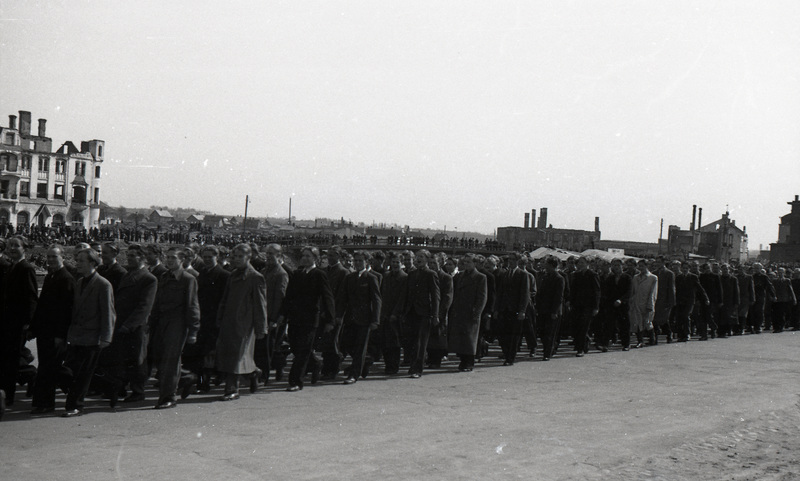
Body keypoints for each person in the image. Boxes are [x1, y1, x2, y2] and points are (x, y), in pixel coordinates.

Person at [62, 248, 116, 417]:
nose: (77, 264)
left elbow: (109, 312)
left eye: (81, 261)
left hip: (92, 337)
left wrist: (106, 337)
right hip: (77, 335)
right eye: (77, 260)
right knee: (70, 371)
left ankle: (75, 406)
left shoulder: (103, 284)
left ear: (92, 263)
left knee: (82, 374)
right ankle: (109, 385)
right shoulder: (79, 282)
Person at [149, 247, 200, 409]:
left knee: (170, 361)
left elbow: (192, 306)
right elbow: (157, 303)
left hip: (178, 323)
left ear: (182, 260)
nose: (169, 261)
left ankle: (168, 397)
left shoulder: (187, 279)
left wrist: (193, 330)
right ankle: (186, 378)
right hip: (162, 323)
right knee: (160, 358)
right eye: (168, 257)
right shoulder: (164, 276)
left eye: (173, 258)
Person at [215, 244, 268, 401]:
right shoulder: (233, 275)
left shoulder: (255, 277)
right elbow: (225, 299)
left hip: (244, 324)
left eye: (240, 256)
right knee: (230, 354)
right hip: (229, 321)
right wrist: (220, 317)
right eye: (235, 256)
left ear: (248, 257)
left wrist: (261, 328)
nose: (236, 259)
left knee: (236, 355)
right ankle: (253, 373)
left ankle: (232, 389)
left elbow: (261, 304)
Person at [280, 246, 335, 392]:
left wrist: (330, 319)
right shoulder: (297, 274)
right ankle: (315, 364)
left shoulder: (319, 274)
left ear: (315, 259)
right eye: (303, 255)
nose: (305, 258)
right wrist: (282, 314)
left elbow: (327, 297)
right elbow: (289, 296)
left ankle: (296, 381)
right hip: (295, 318)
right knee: (296, 348)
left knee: (303, 350)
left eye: (308, 256)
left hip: (310, 320)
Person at [108, 244, 157, 404]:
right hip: (121, 323)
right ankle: (122, 387)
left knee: (137, 360)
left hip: (136, 327)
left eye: (132, 256)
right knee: (122, 358)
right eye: (128, 255)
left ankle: (138, 391)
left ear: (142, 258)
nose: (128, 258)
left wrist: (129, 325)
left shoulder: (148, 278)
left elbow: (144, 307)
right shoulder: (128, 275)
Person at [29, 245, 75, 414]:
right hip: (45, 332)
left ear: (62, 257)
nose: (50, 260)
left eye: (54, 257)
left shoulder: (66, 278)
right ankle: (41, 401)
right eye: (48, 257)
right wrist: (34, 328)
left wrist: (60, 335)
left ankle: (47, 403)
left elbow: (66, 311)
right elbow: (42, 307)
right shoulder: (51, 277)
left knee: (50, 368)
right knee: (45, 367)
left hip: (56, 333)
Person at [185, 246, 230, 393]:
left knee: (209, 352)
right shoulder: (201, 273)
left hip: (214, 318)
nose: (207, 260)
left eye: (210, 257)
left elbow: (225, 299)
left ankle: (206, 382)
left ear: (216, 257)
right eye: (204, 257)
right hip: (201, 317)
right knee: (199, 350)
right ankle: (200, 380)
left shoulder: (223, 275)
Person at [0, 235, 38, 408]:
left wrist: (28, 323)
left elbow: (31, 298)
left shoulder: (26, 268)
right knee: (6, 359)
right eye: (10, 245)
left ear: (25, 248)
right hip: (7, 322)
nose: (12, 248)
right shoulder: (12, 267)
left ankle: (7, 396)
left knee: (11, 361)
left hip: (17, 324)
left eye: (17, 245)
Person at [336, 250, 382, 384]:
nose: (357, 263)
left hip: (365, 319)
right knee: (347, 344)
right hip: (350, 318)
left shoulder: (371, 278)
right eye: (355, 260)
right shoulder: (350, 277)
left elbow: (377, 300)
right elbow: (343, 298)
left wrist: (375, 320)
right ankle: (365, 360)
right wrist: (339, 315)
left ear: (367, 262)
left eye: (360, 261)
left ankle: (353, 375)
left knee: (360, 346)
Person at [395, 249, 440, 378]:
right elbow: (405, 294)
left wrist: (435, 315)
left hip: (424, 313)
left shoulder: (431, 274)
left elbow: (436, 296)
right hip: (411, 312)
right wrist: (401, 311)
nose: (418, 259)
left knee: (421, 342)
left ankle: (417, 369)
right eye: (417, 257)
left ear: (426, 259)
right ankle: (413, 365)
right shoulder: (412, 274)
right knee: (411, 341)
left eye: (421, 257)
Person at [447, 254, 487, 372]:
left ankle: (469, 362)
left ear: (475, 263)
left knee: (470, 339)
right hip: (459, 311)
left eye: (469, 262)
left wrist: (477, 312)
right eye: (465, 262)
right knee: (461, 338)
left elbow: (482, 297)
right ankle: (463, 360)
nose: (466, 265)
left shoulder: (480, 277)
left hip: (471, 312)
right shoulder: (459, 276)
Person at [260, 244, 289, 383]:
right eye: (267, 254)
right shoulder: (265, 271)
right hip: (262, 314)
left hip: (271, 316)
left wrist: (275, 318)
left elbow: (280, 297)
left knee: (269, 347)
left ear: (279, 256)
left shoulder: (281, 274)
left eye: (272, 254)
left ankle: (265, 375)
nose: (268, 256)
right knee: (265, 346)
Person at [494, 253, 529, 365]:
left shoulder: (523, 274)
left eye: (513, 260)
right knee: (503, 334)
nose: (511, 262)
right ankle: (506, 353)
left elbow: (525, 294)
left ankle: (510, 358)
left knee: (514, 335)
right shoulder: (505, 274)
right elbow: (500, 293)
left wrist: (522, 310)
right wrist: (496, 309)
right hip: (504, 309)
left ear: (518, 261)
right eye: (510, 260)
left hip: (515, 309)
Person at [376, 252, 407, 374]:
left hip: (396, 315)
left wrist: (396, 313)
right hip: (385, 313)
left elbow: (403, 298)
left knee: (395, 343)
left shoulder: (404, 277)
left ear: (402, 264)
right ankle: (388, 364)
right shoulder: (387, 276)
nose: (395, 265)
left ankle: (393, 366)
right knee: (385, 341)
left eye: (397, 262)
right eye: (393, 262)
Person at [568, 256, 600, 357]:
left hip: (588, 305)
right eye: (579, 263)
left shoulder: (592, 275)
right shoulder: (576, 275)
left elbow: (597, 292)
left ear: (587, 263)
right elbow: (573, 290)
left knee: (584, 326)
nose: (580, 265)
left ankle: (580, 349)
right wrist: (570, 301)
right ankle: (585, 343)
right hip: (577, 305)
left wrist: (596, 307)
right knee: (577, 325)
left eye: (582, 263)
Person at [597, 258, 631, 351]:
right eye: (614, 265)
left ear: (622, 266)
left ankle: (626, 344)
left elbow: (629, 292)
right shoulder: (610, 278)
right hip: (611, 305)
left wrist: (621, 300)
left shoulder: (627, 277)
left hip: (623, 305)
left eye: (617, 265)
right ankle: (605, 344)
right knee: (609, 325)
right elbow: (606, 291)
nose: (616, 267)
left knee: (624, 325)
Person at [536, 256, 565, 361]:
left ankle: (547, 353)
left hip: (553, 310)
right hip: (543, 309)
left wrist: (554, 311)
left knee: (550, 332)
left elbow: (559, 297)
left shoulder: (559, 278)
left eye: (547, 264)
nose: (545, 266)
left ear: (553, 266)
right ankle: (549, 348)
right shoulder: (545, 277)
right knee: (543, 332)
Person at [674, 262, 709, 342]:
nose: (685, 270)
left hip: (690, 300)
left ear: (689, 269)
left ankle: (687, 334)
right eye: (683, 268)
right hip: (680, 300)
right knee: (679, 317)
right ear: (681, 269)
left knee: (686, 316)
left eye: (686, 268)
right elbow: (676, 290)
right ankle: (680, 335)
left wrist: (706, 298)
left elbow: (700, 289)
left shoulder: (693, 277)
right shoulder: (678, 277)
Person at [629, 259, 658, 348]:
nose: (640, 268)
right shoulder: (635, 278)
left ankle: (652, 339)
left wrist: (650, 304)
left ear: (646, 266)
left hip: (647, 303)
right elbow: (633, 291)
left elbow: (653, 293)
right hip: (636, 303)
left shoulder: (653, 278)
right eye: (639, 266)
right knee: (637, 322)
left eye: (642, 266)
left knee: (648, 322)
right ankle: (640, 341)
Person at [652, 257, 676, 344]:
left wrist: (671, 301)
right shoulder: (654, 273)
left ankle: (669, 334)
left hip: (665, 300)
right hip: (656, 299)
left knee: (664, 319)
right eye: (656, 262)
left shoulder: (669, 273)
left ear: (663, 263)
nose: (657, 264)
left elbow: (671, 288)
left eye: (659, 262)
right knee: (654, 319)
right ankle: (655, 337)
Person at [771, 267, 796, 333]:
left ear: (784, 273)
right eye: (779, 272)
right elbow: (772, 290)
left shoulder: (787, 280)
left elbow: (791, 290)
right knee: (777, 314)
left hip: (785, 299)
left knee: (783, 314)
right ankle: (777, 327)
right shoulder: (774, 281)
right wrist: (773, 297)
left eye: (782, 272)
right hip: (777, 299)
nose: (780, 274)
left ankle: (781, 326)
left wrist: (793, 298)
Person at [717, 264, 740, 338]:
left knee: (730, 317)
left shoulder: (733, 279)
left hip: (731, 300)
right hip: (721, 300)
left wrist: (737, 302)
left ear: (729, 270)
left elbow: (736, 291)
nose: (725, 270)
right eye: (723, 269)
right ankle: (722, 332)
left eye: (726, 269)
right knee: (722, 317)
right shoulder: (719, 278)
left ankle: (730, 330)